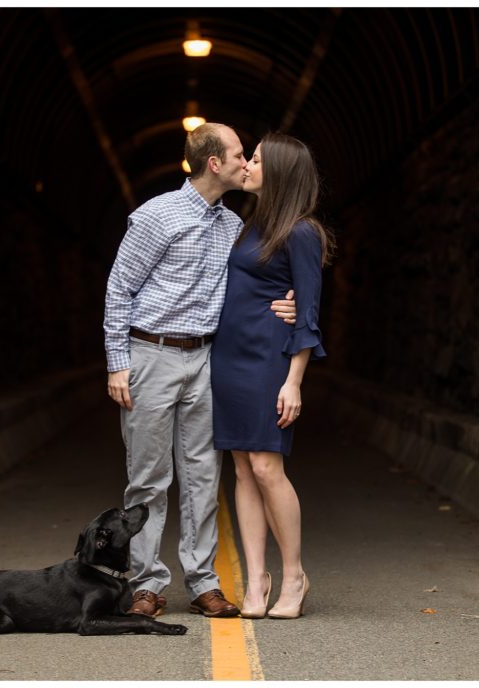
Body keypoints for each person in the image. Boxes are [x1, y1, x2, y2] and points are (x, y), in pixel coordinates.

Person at [103, 123, 296, 619]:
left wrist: (290, 304)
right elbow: (119, 288)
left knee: (202, 476)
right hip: (151, 355)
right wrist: (118, 364)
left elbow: (253, 286)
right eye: (238, 154)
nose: (246, 162)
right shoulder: (156, 216)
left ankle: (203, 581)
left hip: (206, 359)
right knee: (148, 479)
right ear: (215, 163)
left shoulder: (234, 226)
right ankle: (146, 584)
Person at [210, 133, 332, 620]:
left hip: (267, 361)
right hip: (228, 359)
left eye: (256, 159)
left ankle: (294, 574)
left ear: (279, 171)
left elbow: (308, 313)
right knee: (241, 468)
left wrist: (293, 380)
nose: (247, 165)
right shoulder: (246, 225)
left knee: (266, 468)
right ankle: (256, 579)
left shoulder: (301, 231)